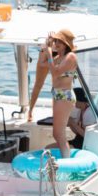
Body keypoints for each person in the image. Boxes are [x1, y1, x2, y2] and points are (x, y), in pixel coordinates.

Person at [27, 29, 78, 159]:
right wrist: (46, 47)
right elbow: (42, 64)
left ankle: (67, 160)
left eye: (60, 41)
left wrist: (49, 53)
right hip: (57, 95)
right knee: (57, 133)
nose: (57, 43)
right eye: (56, 41)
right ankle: (66, 158)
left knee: (59, 134)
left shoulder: (70, 57)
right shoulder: (58, 57)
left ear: (66, 44)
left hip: (64, 96)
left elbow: (56, 73)